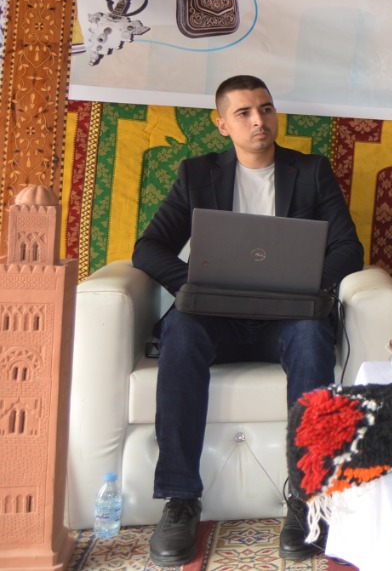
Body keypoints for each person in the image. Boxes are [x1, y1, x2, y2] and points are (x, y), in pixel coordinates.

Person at [133, 75, 363, 565]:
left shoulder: (311, 171)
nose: (259, 120)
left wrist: (307, 281)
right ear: (222, 125)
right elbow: (148, 248)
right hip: (218, 319)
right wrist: (193, 283)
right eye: (244, 113)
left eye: (266, 108)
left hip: (289, 317)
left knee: (311, 336)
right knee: (180, 329)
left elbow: (349, 247)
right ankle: (180, 499)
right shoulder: (197, 174)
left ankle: (308, 496)